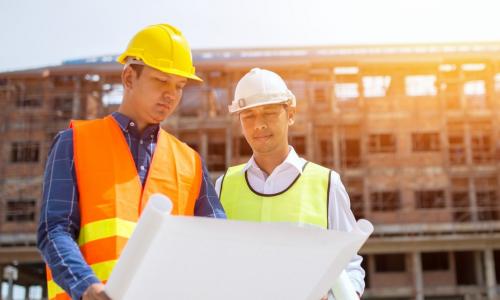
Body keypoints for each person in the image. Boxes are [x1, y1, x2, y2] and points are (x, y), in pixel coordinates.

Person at [37, 23, 226, 300]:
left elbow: (218, 241)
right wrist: (87, 286)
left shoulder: (190, 162)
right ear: (128, 78)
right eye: (161, 81)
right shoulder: (74, 142)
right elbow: (54, 230)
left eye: (179, 86)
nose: (171, 94)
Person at [215, 68, 365, 299]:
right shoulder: (223, 186)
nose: (259, 125)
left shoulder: (326, 184)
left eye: (270, 113)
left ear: (291, 114)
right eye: (249, 116)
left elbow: (350, 266)